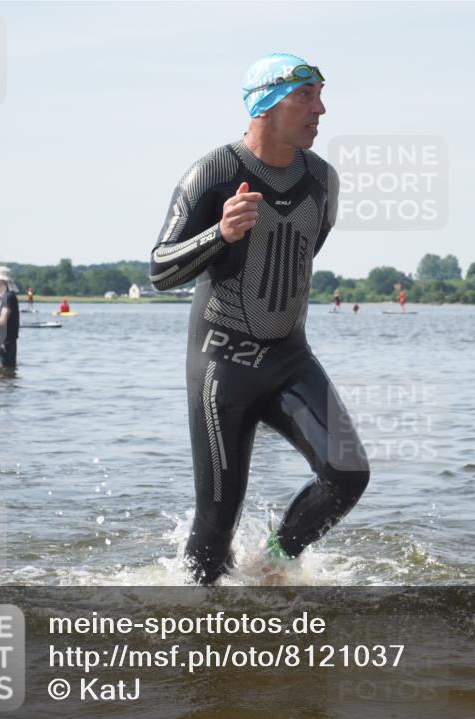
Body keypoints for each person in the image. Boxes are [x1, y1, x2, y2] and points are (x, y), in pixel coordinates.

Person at [149, 52, 370, 585]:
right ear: (267, 103)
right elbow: (159, 269)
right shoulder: (214, 174)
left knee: (347, 474)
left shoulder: (322, 179)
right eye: (306, 96)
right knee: (217, 518)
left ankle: (273, 561)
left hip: (290, 358)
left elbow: (303, 252)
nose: (321, 108)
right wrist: (219, 236)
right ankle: (203, 633)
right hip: (222, 363)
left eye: (321, 94)